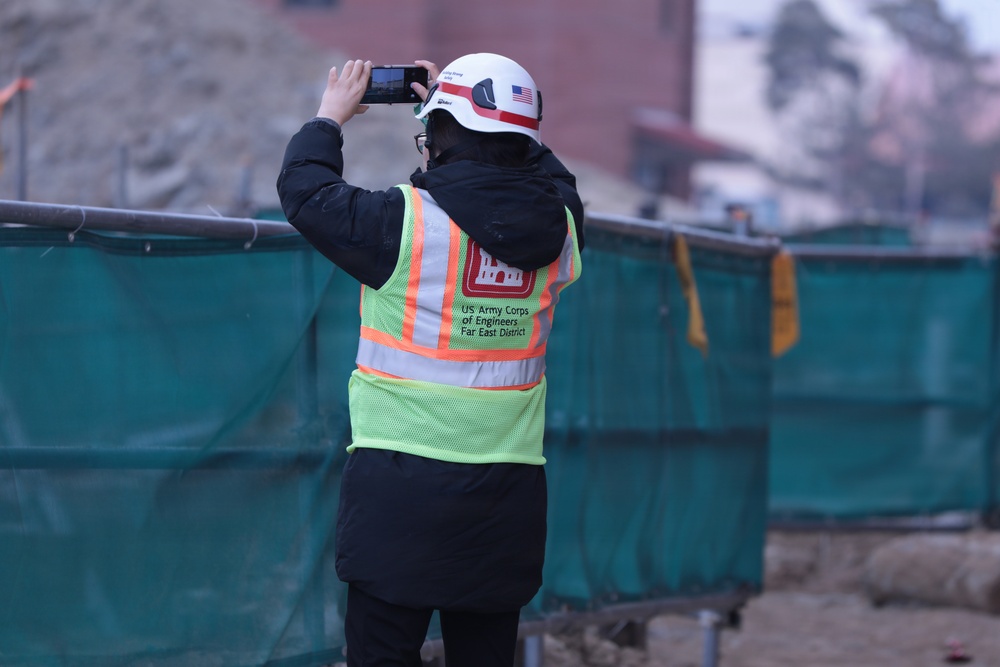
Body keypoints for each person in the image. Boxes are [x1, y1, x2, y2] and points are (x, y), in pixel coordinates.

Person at [276, 53, 584, 667]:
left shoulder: (403, 223)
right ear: (526, 141)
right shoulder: (562, 230)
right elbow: (559, 185)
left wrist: (329, 118)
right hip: (507, 493)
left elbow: (306, 192)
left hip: (400, 488)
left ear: (437, 138)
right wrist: (506, 115)